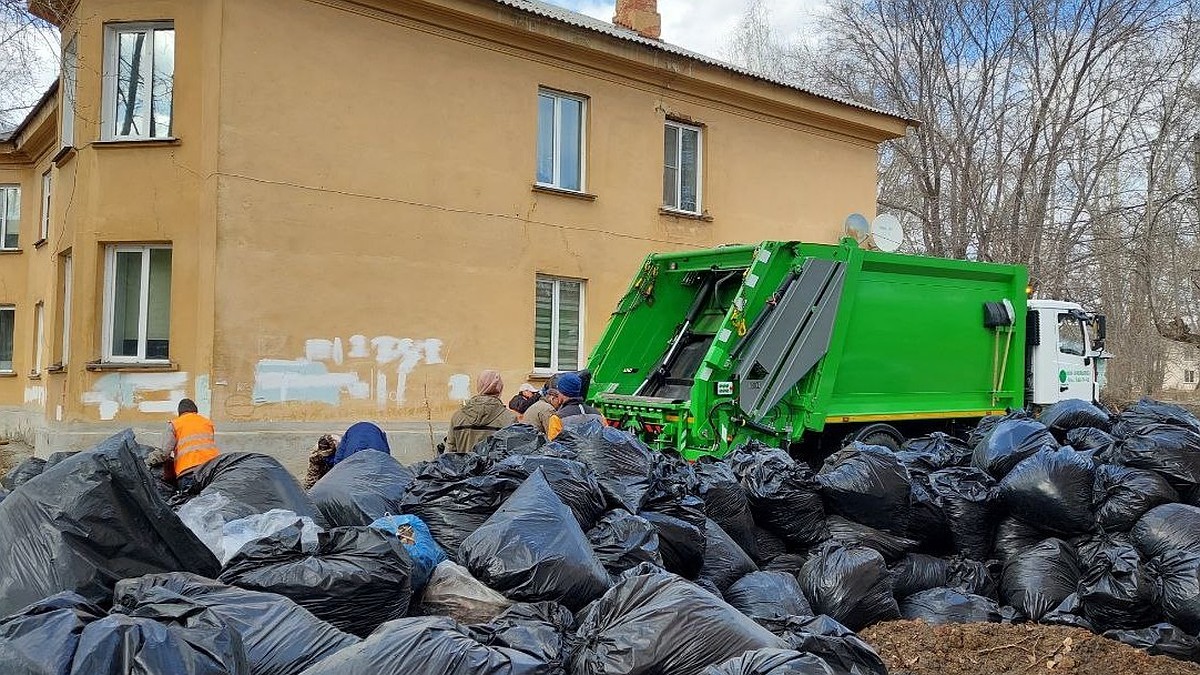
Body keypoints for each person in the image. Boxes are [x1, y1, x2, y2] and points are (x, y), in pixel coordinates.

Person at [445, 369, 517, 452]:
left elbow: (449, 455)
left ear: (478, 386)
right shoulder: (510, 419)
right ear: (500, 388)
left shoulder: (458, 416)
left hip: (463, 465)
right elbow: (514, 457)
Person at [164, 398, 220, 494]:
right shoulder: (207, 422)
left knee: (190, 505)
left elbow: (164, 452)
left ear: (180, 413)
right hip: (212, 470)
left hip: (188, 473)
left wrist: (150, 461)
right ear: (195, 411)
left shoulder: (176, 424)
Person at [546, 371, 607, 440]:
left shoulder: (557, 418)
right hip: (596, 450)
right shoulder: (599, 415)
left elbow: (553, 448)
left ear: (561, 392)